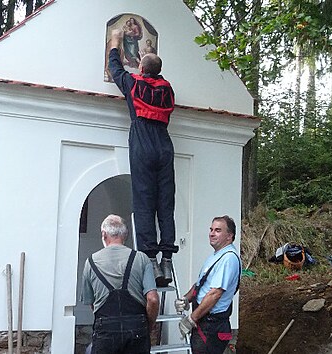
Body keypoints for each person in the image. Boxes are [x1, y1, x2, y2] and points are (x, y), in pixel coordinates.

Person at [108, 28, 178, 287]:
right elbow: (155, 74)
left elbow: (115, 70)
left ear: (141, 68)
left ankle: (150, 259)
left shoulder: (135, 84)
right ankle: (167, 261)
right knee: (165, 204)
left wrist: (115, 43)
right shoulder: (168, 89)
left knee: (144, 201)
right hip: (164, 144)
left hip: (143, 143)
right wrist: (148, 58)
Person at [81, 214, 159, 354]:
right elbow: (153, 299)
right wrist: (149, 324)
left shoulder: (91, 262)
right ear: (125, 235)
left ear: (104, 234)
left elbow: (91, 303)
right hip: (137, 328)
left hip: (105, 330)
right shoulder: (141, 258)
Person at [174, 215, 241, 354]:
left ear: (229, 236)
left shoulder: (228, 258)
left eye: (217, 230)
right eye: (211, 229)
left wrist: (192, 319)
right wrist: (186, 298)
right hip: (206, 323)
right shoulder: (216, 255)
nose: (211, 233)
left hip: (212, 326)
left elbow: (214, 294)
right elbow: (201, 283)